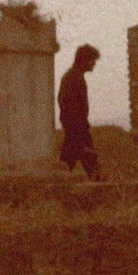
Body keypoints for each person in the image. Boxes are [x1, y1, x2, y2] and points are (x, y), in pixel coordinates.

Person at [57, 43, 101, 180]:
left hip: (75, 126)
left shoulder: (74, 76)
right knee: (87, 157)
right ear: (84, 60)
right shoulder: (73, 77)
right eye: (92, 60)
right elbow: (67, 104)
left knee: (68, 160)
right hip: (76, 127)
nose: (94, 64)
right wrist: (78, 126)